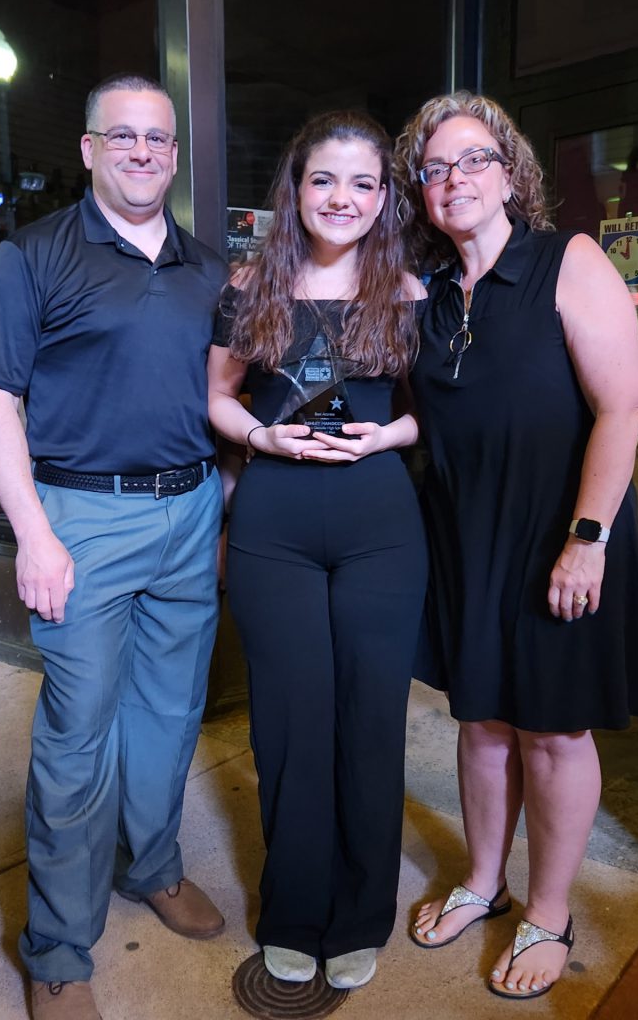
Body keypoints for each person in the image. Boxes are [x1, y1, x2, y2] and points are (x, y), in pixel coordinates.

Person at [0, 74, 229, 1020]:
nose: (144, 152)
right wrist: (33, 532)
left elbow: (222, 395)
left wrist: (223, 505)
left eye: (158, 139)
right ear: (88, 149)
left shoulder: (206, 267)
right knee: (77, 744)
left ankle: (151, 866)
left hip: (191, 511)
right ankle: (56, 950)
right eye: (123, 137)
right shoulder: (36, 256)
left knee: (168, 718)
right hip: (82, 519)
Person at [393, 92, 638, 999]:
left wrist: (586, 540)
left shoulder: (564, 261)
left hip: (558, 531)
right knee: (480, 721)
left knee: (550, 729)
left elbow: (623, 406)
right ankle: (482, 881)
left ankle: (549, 909)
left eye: (472, 160)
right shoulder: (429, 294)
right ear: (420, 191)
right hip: (465, 536)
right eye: (434, 169)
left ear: (510, 171)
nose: (453, 179)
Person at [208, 111, 427, 990]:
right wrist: (263, 439)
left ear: (382, 199)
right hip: (275, 526)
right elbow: (217, 398)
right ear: (294, 191)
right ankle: (294, 912)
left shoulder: (408, 291)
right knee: (291, 726)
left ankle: (361, 911)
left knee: (371, 724)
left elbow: (426, 414)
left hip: (380, 526)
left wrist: (382, 439)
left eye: (362, 183)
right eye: (323, 180)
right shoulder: (248, 284)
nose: (342, 198)